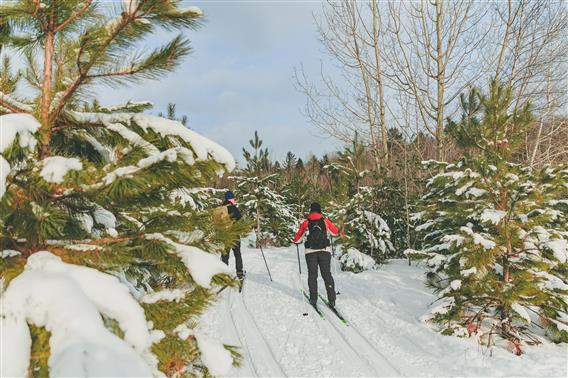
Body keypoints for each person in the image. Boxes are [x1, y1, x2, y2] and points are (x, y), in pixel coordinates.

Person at [293, 202, 339, 307]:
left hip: (310, 252)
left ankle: (313, 298)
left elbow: (297, 238)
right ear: (320, 210)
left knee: (312, 275)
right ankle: (332, 299)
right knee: (327, 274)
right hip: (325, 251)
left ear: (310, 210)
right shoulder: (325, 221)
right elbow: (335, 232)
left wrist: (296, 241)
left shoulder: (306, 222)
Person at [221, 191, 244, 279]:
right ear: (230, 199)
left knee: (225, 255)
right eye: (233, 198)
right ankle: (239, 272)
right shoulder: (233, 208)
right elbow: (240, 220)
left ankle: (223, 273)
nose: (234, 200)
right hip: (234, 234)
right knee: (237, 253)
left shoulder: (221, 208)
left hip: (225, 235)